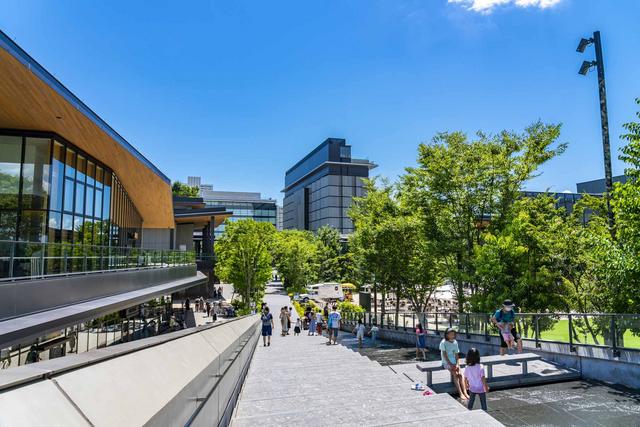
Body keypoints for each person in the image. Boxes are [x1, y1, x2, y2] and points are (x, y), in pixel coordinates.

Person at [439, 328, 469, 400]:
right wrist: (451, 364)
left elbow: (456, 355)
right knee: (455, 374)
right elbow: (444, 355)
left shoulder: (455, 342)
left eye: (453, 334)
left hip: (454, 361)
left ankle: (465, 392)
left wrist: (457, 364)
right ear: (447, 335)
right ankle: (460, 393)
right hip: (446, 361)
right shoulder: (443, 342)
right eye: (451, 334)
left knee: (460, 374)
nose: (452, 335)